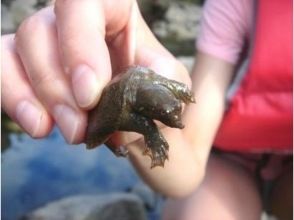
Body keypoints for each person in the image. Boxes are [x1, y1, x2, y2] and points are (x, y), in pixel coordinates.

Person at [1, 0, 292, 219]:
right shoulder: (239, 6)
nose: (174, 120)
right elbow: (184, 170)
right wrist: (146, 133)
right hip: (229, 165)